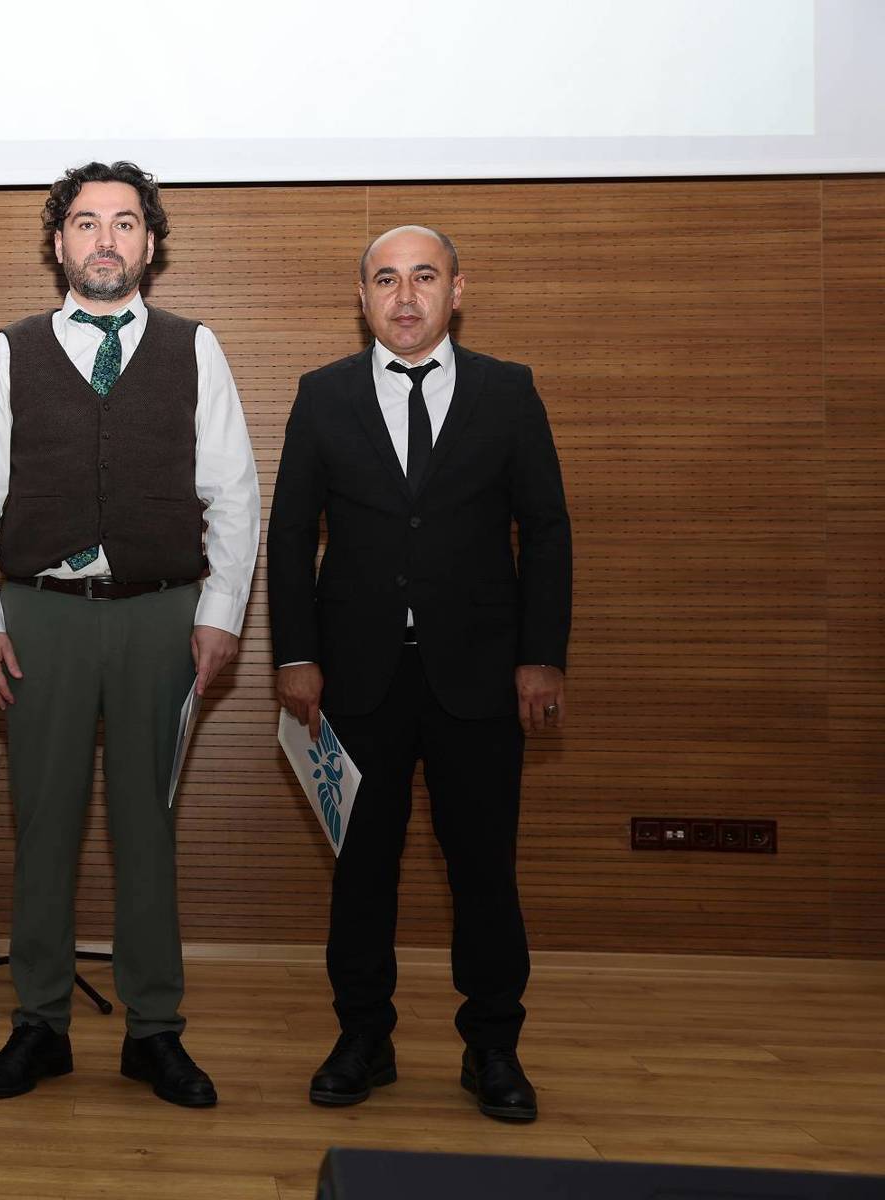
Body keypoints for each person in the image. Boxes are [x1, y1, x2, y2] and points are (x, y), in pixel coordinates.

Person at [0, 161, 260, 1108]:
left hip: (162, 614)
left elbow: (234, 493)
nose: (106, 239)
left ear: (150, 245)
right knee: (43, 825)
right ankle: (38, 1024)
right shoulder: (11, 351)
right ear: (59, 243)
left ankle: (154, 1030)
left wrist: (220, 613)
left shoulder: (195, 348)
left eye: (125, 223)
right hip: (39, 615)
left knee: (146, 828)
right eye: (86, 223)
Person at [269, 225, 572, 1122]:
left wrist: (541, 655)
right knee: (362, 871)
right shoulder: (322, 394)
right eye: (386, 280)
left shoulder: (507, 392)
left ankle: (493, 1047)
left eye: (424, 277)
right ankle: (363, 1037)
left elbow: (546, 529)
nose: (405, 297)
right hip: (354, 680)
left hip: (480, 677)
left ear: (456, 291)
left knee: (484, 870)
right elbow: (291, 534)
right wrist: (296, 654)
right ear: (362, 296)